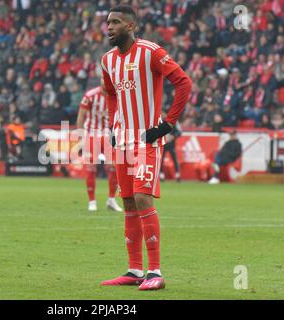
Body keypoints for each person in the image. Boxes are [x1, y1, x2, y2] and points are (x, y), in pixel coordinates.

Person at [100, 5, 192, 290]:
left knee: (142, 198)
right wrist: (115, 126)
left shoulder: (151, 51)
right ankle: (134, 270)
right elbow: (111, 94)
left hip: (147, 140)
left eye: (115, 22)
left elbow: (184, 83)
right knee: (127, 202)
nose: (109, 27)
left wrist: (168, 124)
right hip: (123, 140)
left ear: (130, 26)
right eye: (107, 22)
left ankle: (155, 272)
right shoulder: (107, 61)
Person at [76, 82, 122, 212]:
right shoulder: (90, 96)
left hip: (108, 135)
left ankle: (111, 200)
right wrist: (81, 136)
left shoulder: (117, 95)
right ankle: (92, 201)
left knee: (115, 167)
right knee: (91, 168)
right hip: (92, 134)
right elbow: (81, 116)